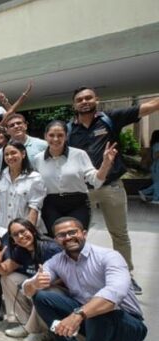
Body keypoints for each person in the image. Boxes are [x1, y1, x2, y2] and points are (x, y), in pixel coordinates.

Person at [23, 217, 147, 341]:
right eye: (61, 235)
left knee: (99, 311)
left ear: (84, 233)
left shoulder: (109, 256)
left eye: (72, 232)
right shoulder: (57, 260)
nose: (67, 237)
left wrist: (78, 314)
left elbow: (114, 293)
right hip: (89, 319)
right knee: (42, 297)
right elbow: (27, 287)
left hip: (127, 325)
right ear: (56, 240)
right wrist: (34, 284)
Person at [67, 87, 159, 291]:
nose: (84, 101)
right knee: (76, 234)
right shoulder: (68, 130)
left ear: (97, 100)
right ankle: (78, 275)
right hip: (84, 190)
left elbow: (151, 106)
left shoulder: (111, 118)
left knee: (119, 234)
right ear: (74, 105)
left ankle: (125, 275)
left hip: (112, 187)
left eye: (88, 98)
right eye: (80, 99)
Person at [33, 120, 117, 233]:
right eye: (51, 135)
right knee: (55, 239)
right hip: (50, 205)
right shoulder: (38, 159)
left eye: (60, 135)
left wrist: (105, 164)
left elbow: (96, 181)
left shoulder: (79, 155)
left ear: (66, 136)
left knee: (77, 238)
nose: (56, 139)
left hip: (77, 203)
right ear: (45, 136)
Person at [0, 218, 62, 341]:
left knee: (42, 288)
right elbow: (5, 269)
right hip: (36, 285)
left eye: (23, 231)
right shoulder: (21, 250)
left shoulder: (50, 248)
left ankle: (42, 331)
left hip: (59, 292)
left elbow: (67, 278)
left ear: (33, 230)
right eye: (15, 234)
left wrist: (43, 282)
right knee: (8, 278)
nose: (20, 236)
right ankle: (25, 324)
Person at [0, 141, 46, 230]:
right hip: (0, 228)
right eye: (6, 154)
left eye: (13, 153)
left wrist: (28, 231)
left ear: (23, 154)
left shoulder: (34, 178)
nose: (9, 157)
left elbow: (34, 209)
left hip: (22, 229)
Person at [139, 130, 159, 204]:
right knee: (157, 184)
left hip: (155, 167)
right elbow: (156, 155)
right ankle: (155, 199)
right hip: (156, 168)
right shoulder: (157, 145)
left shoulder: (155, 144)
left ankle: (144, 192)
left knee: (157, 183)